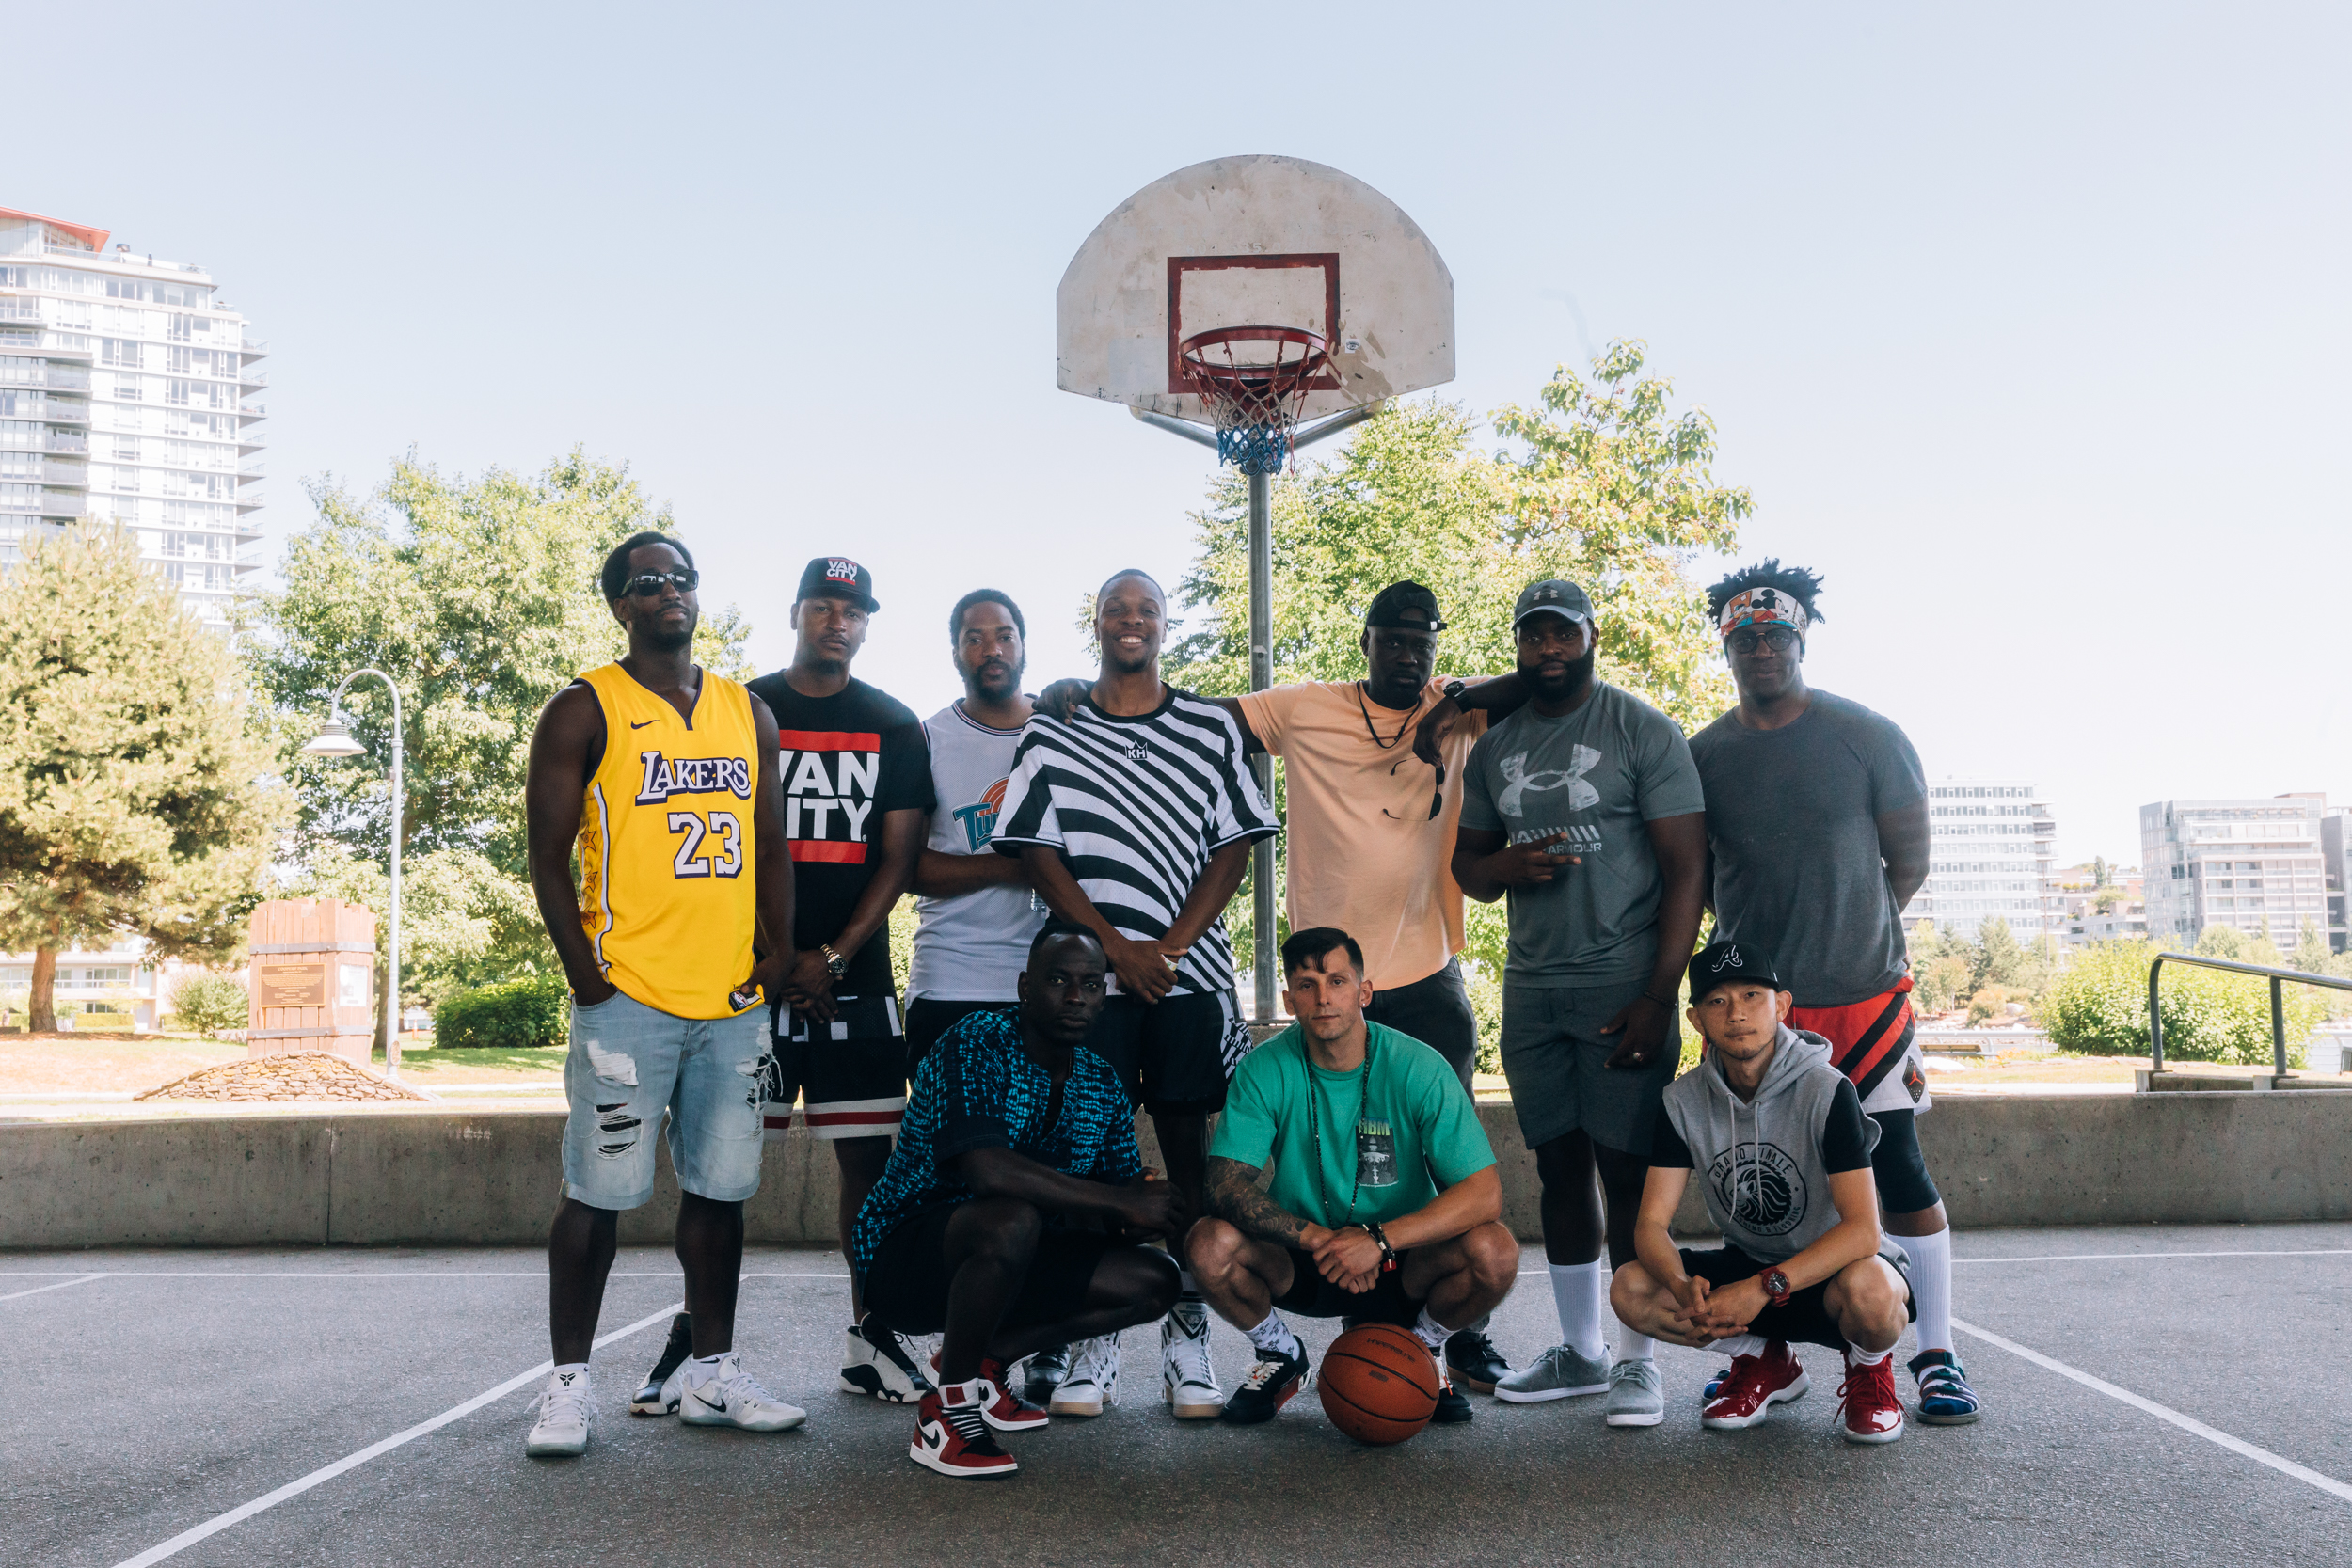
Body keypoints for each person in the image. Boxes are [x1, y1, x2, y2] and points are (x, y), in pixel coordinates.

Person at [1038, 579, 1527, 1392]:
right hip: (1326, 973)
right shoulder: (1304, 707)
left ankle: (1452, 1337)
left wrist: (1457, 701)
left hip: (1424, 974)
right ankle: (1276, 1334)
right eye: (1392, 638)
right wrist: (1073, 696)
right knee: (1208, 1155)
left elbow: (1554, 678)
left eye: (1423, 641)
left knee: (1453, 1173)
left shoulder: (1459, 708)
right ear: (1363, 640)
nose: (1409, 653)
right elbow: (1188, 714)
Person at [519, 531, 802, 1457]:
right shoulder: (582, 708)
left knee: (721, 1195)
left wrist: (777, 951)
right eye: (648, 581)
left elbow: (770, 844)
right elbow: (546, 857)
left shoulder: (744, 709)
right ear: (620, 606)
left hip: (729, 1003)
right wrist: (586, 977)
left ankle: (711, 1370)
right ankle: (566, 1385)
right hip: (628, 999)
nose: (669, 591)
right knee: (596, 1196)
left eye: (681, 576)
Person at [1686, 560, 1979, 1424]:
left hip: (1863, 995)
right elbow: (1699, 876)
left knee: (1896, 1166)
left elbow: (1909, 861)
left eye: (1776, 634)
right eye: (1746, 637)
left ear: (1801, 635)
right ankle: (1768, 1357)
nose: (1762, 649)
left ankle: (1935, 1351)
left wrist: (1849, 927)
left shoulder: (1868, 734)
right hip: (1756, 1011)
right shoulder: (1703, 755)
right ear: (1727, 645)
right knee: (1753, 1182)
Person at [993, 568, 1279, 1421]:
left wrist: (1172, 946)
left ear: (1164, 624)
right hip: (1090, 986)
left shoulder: (1208, 725)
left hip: (1188, 981)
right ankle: (1099, 1333)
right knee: (1091, 1153)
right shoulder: (1053, 733)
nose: (1130, 621)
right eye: (1116, 608)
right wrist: (1114, 948)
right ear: (1097, 623)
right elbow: (1037, 851)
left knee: (1188, 1151)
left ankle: (1188, 1330)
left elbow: (1236, 845)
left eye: (1145, 609)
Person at [1450, 578, 1707, 1426]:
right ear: (1520, 644)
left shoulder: (1642, 729)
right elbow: (1468, 870)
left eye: (1564, 634)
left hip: (1622, 984)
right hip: (1533, 987)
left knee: (1627, 1171)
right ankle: (1582, 1352)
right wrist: (1505, 871)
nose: (1549, 649)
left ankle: (1639, 1359)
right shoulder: (1498, 746)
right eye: (1534, 637)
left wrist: (1657, 995)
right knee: (1558, 1168)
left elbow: (1686, 873)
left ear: (1591, 637)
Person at [853, 922, 1185, 1477]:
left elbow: (1120, 1208)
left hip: (1012, 1256)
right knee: (1009, 1218)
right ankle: (946, 1409)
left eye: (1091, 984)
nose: (1076, 996)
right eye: (1058, 980)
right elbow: (986, 1169)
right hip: (904, 1257)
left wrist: (1146, 1204)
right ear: (1026, 987)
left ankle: (985, 1363)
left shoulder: (1102, 1082)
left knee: (1157, 1281)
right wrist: (1116, 1201)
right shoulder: (977, 1040)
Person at [1186, 927, 1518, 1427]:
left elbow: (1483, 1195)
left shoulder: (1419, 1067)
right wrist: (1322, 1238)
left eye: (1337, 981)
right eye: (1306, 984)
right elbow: (1224, 1187)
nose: (1323, 998)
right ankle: (1279, 1355)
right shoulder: (1263, 1069)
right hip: (1306, 1256)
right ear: (1289, 999)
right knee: (1207, 1243)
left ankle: (1421, 1348)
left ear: (1363, 992)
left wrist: (1378, 1241)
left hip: (1403, 1262)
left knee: (1495, 1251)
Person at [747, 556, 937, 1403]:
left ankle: (873, 1335)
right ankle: (696, 1342)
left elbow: (897, 858)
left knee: (868, 1167)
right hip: (749, 976)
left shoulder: (893, 724)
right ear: (795, 611)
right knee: (724, 1167)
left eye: (853, 610)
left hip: (852, 982)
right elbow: (732, 845)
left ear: (866, 624)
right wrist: (777, 954)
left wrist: (830, 956)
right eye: (823, 604)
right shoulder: (743, 710)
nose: (838, 620)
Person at [1610, 941, 1916, 1444]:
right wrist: (1683, 1285)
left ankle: (1869, 1369)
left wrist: (1760, 1288)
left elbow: (1864, 1231)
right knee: (1632, 1285)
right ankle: (1763, 1359)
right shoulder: (1682, 1101)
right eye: (1718, 1002)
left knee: (1874, 1293)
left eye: (1752, 995)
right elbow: (1650, 1225)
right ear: (1696, 1020)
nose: (1737, 1014)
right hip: (1753, 1263)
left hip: (1836, 1270)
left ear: (1781, 1005)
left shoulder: (1826, 1089)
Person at [902, 587, 1064, 1406]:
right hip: (952, 983)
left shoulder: (1065, 725)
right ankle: (952, 1348)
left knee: (1047, 1172)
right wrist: (1017, 861)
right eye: (973, 636)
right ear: (956, 649)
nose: (989, 646)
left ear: (1026, 644)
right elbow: (910, 869)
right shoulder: (928, 738)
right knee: (963, 1181)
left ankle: (1022, 1349)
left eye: (1003, 633)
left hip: (1050, 990)